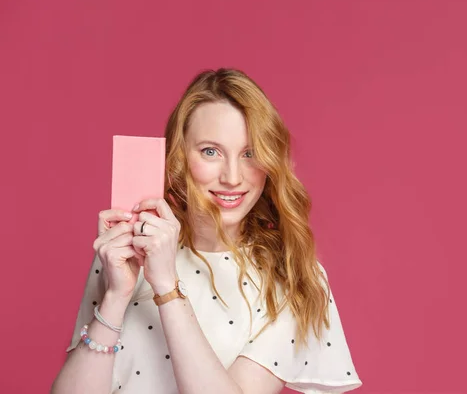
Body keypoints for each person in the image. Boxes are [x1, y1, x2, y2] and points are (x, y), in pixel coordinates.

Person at [51, 68, 362, 394]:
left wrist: (167, 286)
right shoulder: (130, 249)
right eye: (211, 151)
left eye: (250, 154)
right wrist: (116, 296)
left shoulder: (293, 278)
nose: (232, 177)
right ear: (179, 158)